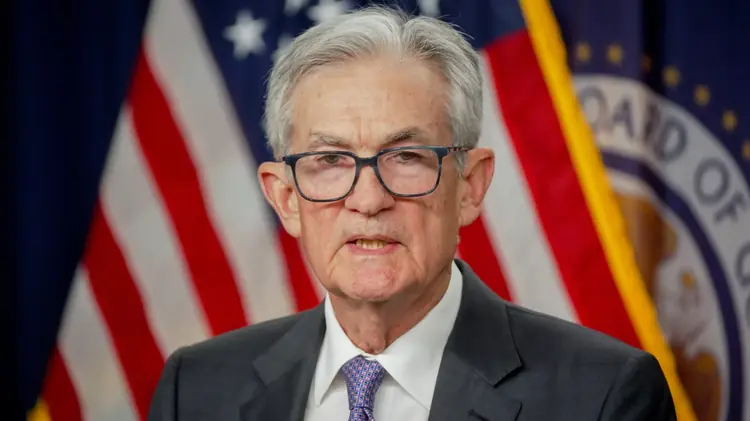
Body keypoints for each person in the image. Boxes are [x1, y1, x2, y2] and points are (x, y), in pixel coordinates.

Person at [147, 5, 677, 421]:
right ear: (286, 198)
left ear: (470, 186)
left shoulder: (602, 396)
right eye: (330, 160)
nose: (368, 199)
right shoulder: (194, 390)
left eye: (405, 157)